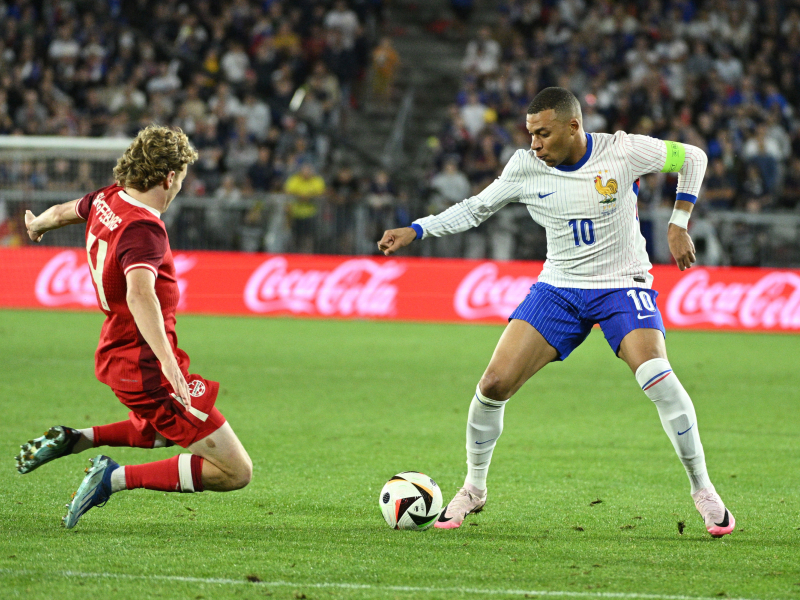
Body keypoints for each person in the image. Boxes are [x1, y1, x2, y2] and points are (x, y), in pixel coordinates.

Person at [378, 87, 734, 538]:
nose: (534, 144)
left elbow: (694, 158)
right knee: (492, 384)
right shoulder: (525, 166)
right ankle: (474, 487)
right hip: (559, 287)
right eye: (530, 134)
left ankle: (703, 491)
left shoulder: (622, 151)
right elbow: (477, 208)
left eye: (543, 134)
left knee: (656, 375)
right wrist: (417, 229)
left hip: (621, 283)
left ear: (572, 127)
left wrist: (679, 222)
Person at [18, 125, 252, 529]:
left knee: (165, 428)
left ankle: (80, 438)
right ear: (169, 177)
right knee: (235, 471)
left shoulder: (108, 198)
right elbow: (139, 294)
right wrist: (169, 365)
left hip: (118, 352)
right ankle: (113, 477)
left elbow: (62, 212)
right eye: (181, 176)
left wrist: (38, 223)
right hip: (147, 364)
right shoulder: (144, 228)